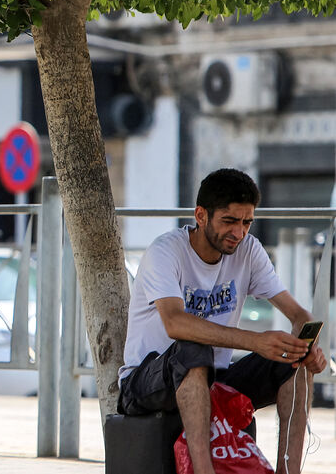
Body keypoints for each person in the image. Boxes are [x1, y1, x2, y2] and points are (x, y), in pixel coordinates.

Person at [118, 168, 327, 474]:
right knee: (193, 349)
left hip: (213, 379)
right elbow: (175, 323)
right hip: (147, 379)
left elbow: (299, 315)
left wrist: (306, 348)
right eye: (229, 221)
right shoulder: (165, 252)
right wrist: (254, 340)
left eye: (246, 223)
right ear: (201, 216)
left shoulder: (249, 251)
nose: (239, 233)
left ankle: (288, 470)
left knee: (290, 363)